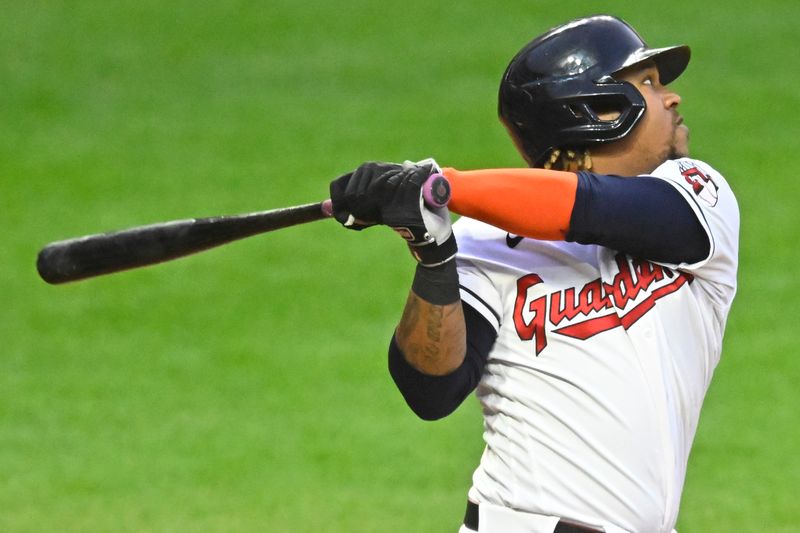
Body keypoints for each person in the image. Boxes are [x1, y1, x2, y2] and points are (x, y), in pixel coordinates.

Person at [329, 14, 738, 533]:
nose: (673, 98)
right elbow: (431, 390)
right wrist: (433, 256)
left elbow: (591, 208)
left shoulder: (697, 197)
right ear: (599, 110)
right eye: (650, 85)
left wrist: (444, 185)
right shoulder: (485, 239)